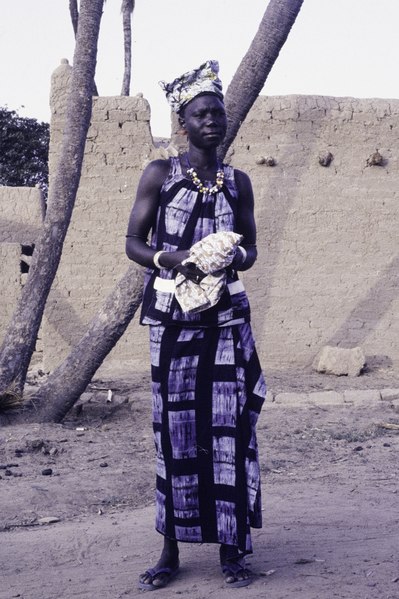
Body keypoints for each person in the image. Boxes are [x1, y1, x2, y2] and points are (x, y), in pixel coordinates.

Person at [126, 60, 266, 591]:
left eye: (217, 112)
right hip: (173, 322)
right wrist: (175, 259)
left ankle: (233, 549)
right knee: (175, 433)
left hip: (226, 320)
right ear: (182, 122)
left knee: (229, 431)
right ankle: (170, 549)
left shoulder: (239, 182)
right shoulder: (159, 174)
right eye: (199, 113)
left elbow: (251, 248)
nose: (211, 119)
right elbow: (133, 243)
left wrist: (230, 255)